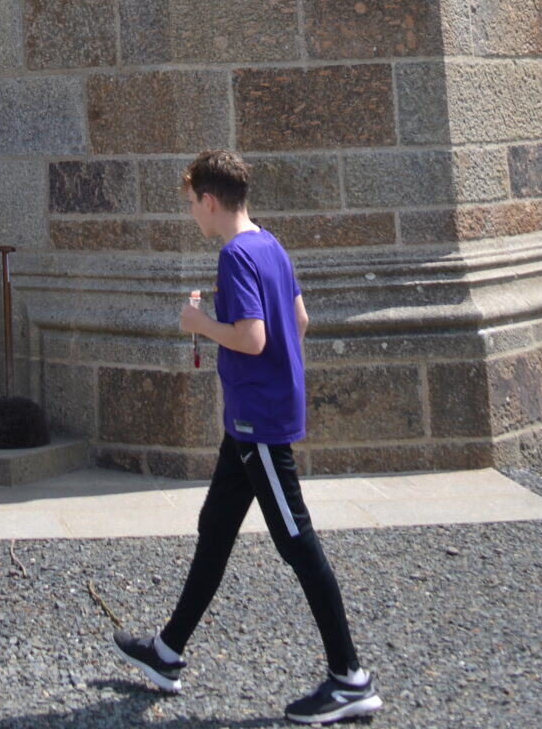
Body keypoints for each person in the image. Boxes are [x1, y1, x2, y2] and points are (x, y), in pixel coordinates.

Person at [113, 151, 382, 725]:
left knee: (297, 541)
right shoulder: (270, 245)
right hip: (248, 423)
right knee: (215, 529)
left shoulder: (234, 255)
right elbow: (300, 321)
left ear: (210, 200)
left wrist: (200, 325)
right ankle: (167, 653)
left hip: (259, 424)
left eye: (191, 204)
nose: (192, 215)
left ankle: (350, 677)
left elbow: (254, 338)